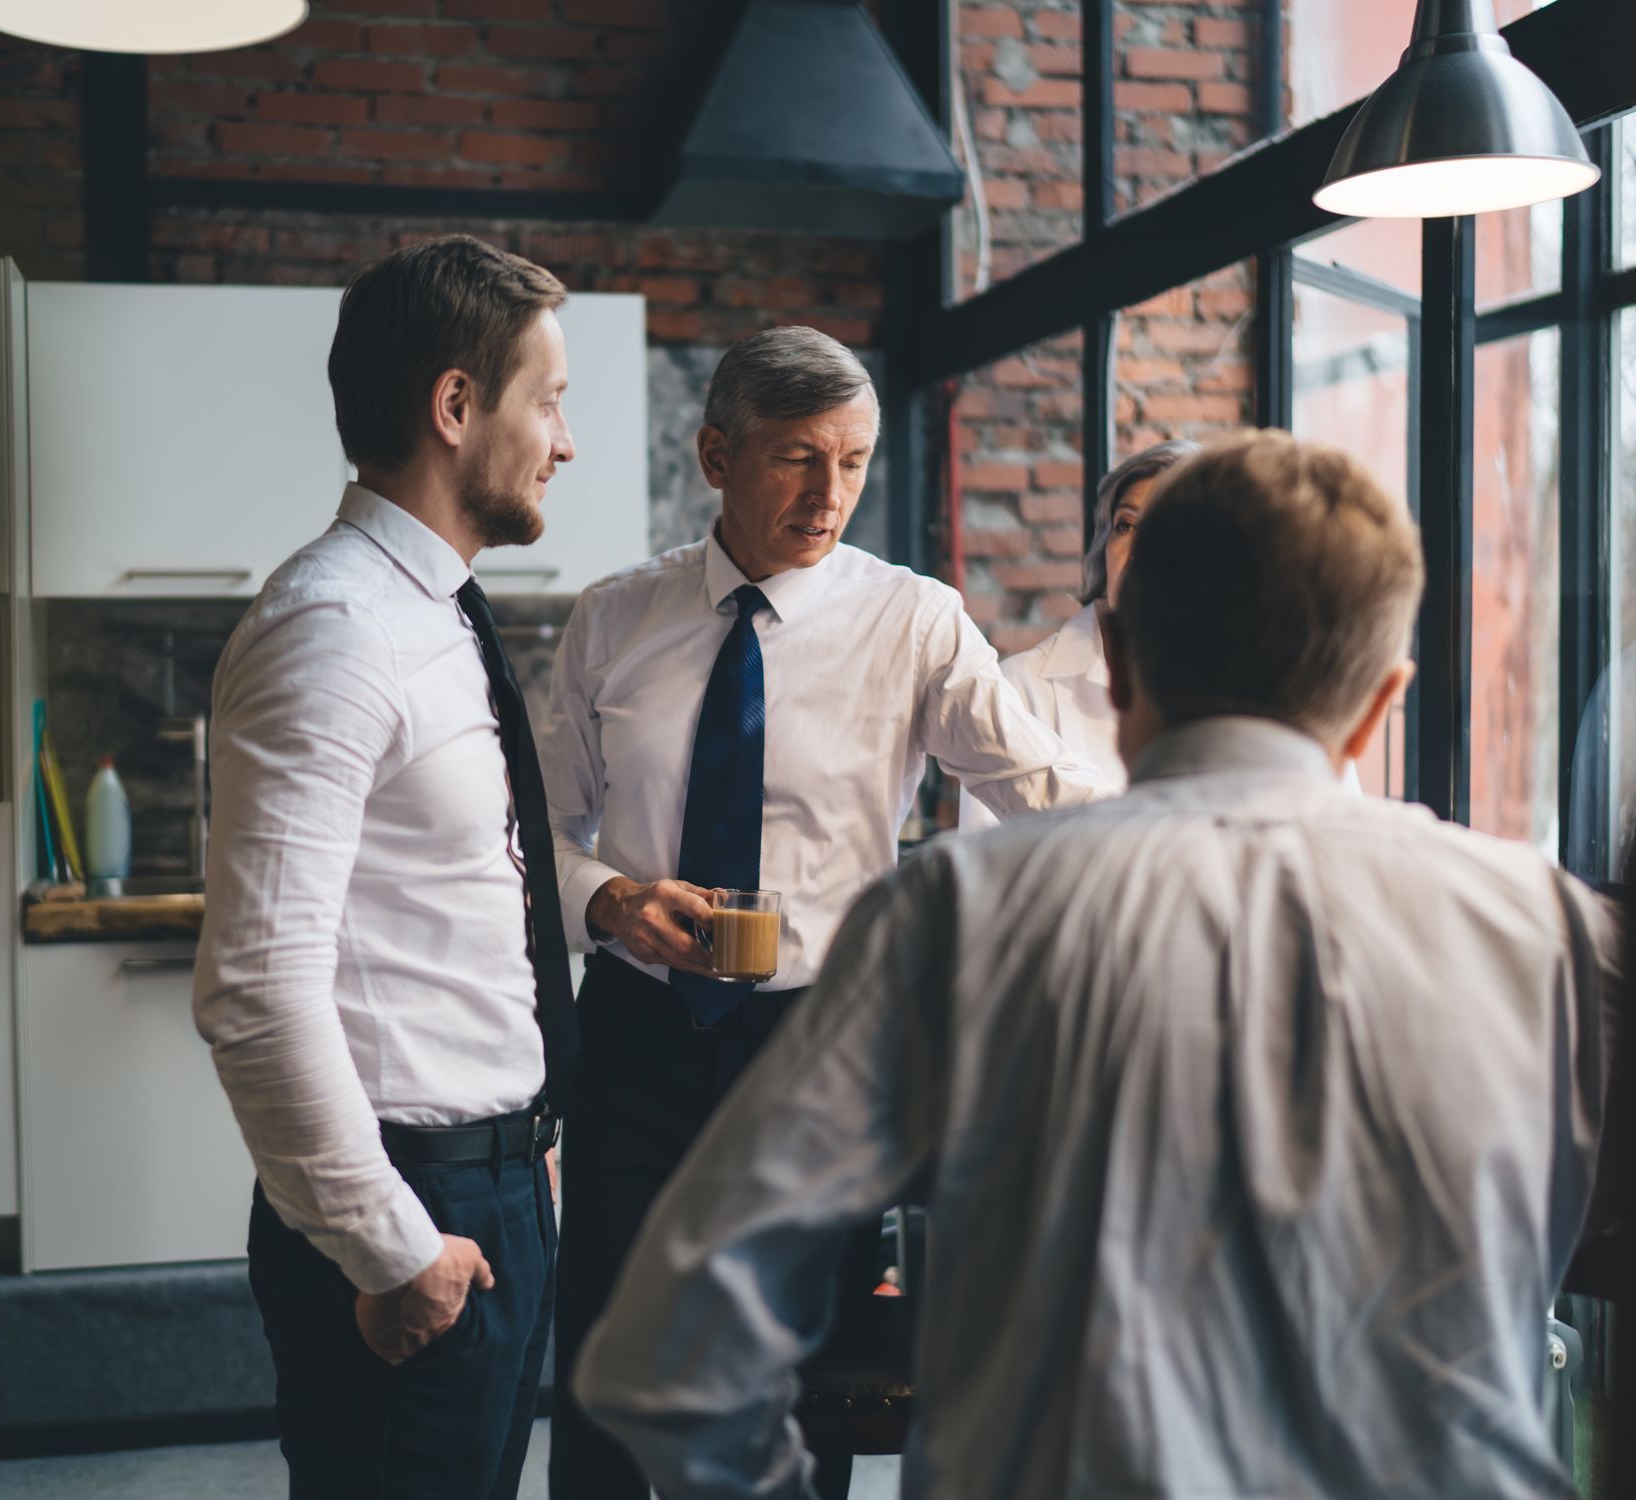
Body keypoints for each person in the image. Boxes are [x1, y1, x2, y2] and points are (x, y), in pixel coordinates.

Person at [572, 430, 1620, 1500]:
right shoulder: (1544, 927)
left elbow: (666, 1357)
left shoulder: (957, 910)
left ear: (1115, 663)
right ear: (1385, 700)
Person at [539, 325, 1115, 1499]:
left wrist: (1223, 817)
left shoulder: (916, 622)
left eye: (852, 462)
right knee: (605, 1357)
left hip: (822, 1051)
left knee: (799, 1385)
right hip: (639, 1037)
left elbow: (1042, 790)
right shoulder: (613, 619)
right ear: (716, 454)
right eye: (799, 458)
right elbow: (531, 830)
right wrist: (607, 902)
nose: (830, 494)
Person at [194, 236, 580, 1500]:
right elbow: (255, 987)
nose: (562, 443)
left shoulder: (433, 611)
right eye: (549, 401)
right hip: (413, 1212)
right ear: (456, 407)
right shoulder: (335, 628)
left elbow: (466, 902)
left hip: (485, 1184)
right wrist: (388, 1245)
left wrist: (523, 1140)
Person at [958, 439, 1197, 829]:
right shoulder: (1020, 690)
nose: (1137, 549)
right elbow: (986, 870)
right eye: (1125, 525)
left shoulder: (1238, 690)